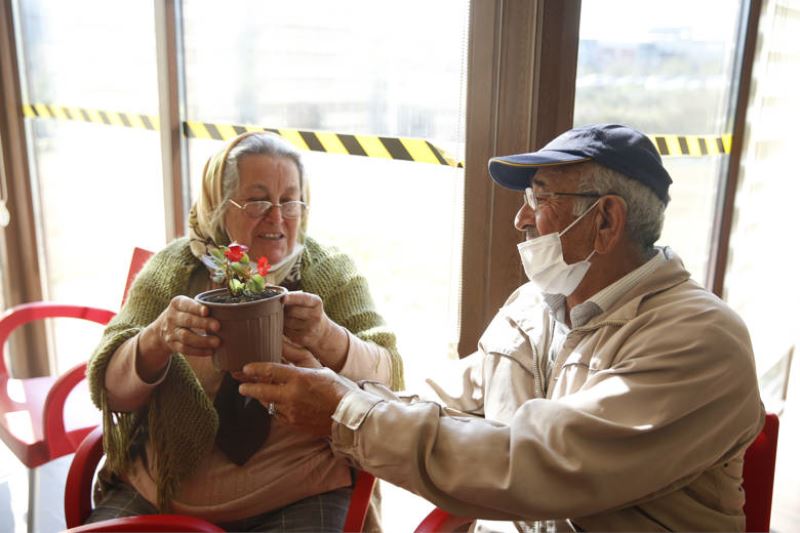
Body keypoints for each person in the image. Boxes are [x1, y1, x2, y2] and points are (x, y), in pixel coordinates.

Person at [238, 124, 765, 531]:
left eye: (540, 197)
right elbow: (443, 400)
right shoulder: (533, 306)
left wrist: (343, 411)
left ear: (606, 220)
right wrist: (339, 386)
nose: (521, 218)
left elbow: (540, 465)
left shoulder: (701, 341)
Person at [87, 131, 403, 532]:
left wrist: (327, 336)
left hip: (298, 492)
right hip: (163, 495)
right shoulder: (174, 269)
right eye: (257, 201)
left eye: (290, 200)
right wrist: (157, 338)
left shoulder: (330, 274)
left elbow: (388, 377)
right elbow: (110, 391)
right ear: (219, 206)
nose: (277, 216)